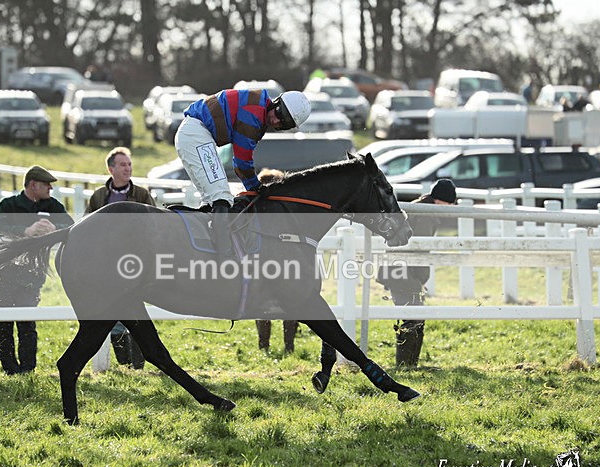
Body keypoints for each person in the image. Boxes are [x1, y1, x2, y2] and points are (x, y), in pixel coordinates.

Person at [319, 179, 457, 369]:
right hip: (403, 272)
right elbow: (417, 249)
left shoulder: (422, 208)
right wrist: (419, 280)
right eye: (450, 203)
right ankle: (407, 364)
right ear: (442, 200)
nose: (450, 207)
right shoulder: (425, 214)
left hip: (399, 271)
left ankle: (408, 363)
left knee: (411, 315)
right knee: (413, 316)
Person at [174, 88, 311, 259]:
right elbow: (241, 163)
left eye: (284, 123)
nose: (275, 120)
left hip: (194, 133)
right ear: (276, 102)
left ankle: (201, 251)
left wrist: (255, 188)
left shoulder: (259, 109)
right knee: (221, 196)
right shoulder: (253, 115)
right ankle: (224, 255)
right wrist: (257, 188)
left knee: (211, 200)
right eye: (278, 113)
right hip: (196, 133)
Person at [0, 166, 74, 375]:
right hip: (2, 273)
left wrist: (54, 230)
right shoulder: (7, 205)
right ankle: (10, 370)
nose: (50, 188)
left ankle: (27, 370)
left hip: (30, 275)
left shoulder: (53, 206)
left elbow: (71, 226)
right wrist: (25, 232)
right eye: (46, 184)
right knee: (3, 326)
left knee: (27, 324)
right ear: (33, 185)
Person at [85, 147, 155, 369]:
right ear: (111, 169)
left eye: (129, 164)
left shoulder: (142, 195)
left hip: (135, 264)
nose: (128, 168)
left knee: (136, 312)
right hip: (107, 266)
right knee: (112, 314)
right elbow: (88, 227)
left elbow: (155, 225)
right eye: (123, 164)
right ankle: (124, 363)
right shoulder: (98, 197)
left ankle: (139, 363)